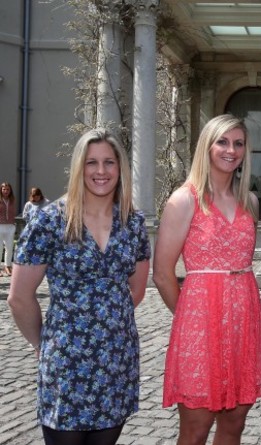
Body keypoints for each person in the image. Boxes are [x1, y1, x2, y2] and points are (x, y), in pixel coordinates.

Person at [7, 128, 151, 445]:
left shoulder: (133, 222)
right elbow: (19, 298)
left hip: (116, 360)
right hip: (66, 362)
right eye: (91, 163)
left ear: (120, 168)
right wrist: (42, 343)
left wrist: (107, 323)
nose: (101, 171)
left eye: (109, 162)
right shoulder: (50, 220)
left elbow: (136, 291)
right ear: (78, 167)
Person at [153, 114, 261, 445]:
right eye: (222, 141)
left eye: (238, 143)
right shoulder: (184, 200)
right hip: (201, 328)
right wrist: (190, 322)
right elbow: (162, 273)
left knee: (234, 424)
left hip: (244, 322)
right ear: (206, 146)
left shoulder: (248, 200)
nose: (231, 150)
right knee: (195, 430)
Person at [0, 181, 17, 276]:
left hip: (10, 226)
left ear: (10, 190)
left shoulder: (12, 200)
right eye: (4, 189)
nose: (5, 191)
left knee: (9, 247)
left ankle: (8, 266)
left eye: (7, 189)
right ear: (1, 190)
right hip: (0, 225)